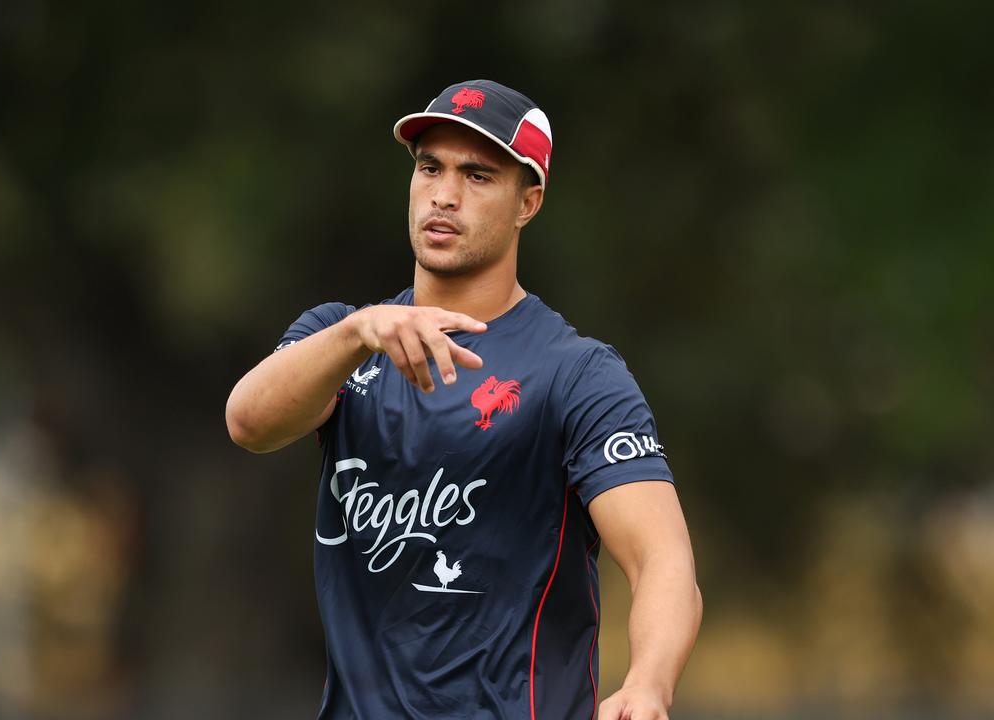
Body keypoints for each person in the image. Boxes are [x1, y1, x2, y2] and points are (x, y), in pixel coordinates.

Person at [226, 79, 701, 720]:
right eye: (430, 168)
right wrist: (358, 331)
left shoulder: (576, 373)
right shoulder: (339, 340)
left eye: (478, 176)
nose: (444, 195)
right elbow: (249, 422)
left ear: (527, 202)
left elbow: (661, 559)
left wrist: (649, 682)